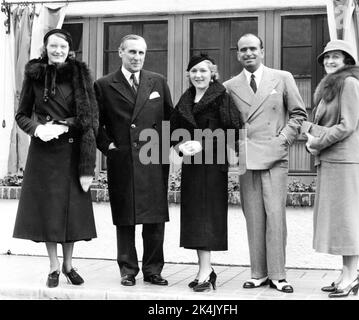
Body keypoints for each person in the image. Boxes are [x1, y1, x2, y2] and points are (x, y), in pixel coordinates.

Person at [13, 29, 98, 288]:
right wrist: (38, 129)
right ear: (46, 48)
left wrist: (63, 125)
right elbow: (21, 115)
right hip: (43, 153)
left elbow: (90, 115)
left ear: (69, 49)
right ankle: (53, 267)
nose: (58, 50)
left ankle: (68, 265)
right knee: (48, 211)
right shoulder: (34, 76)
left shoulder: (79, 75)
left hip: (71, 152)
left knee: (71, 212)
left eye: (62, 46)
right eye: (53, 46)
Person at [223, 33, 307, 293]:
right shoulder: (229, 86)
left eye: (252, 49)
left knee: (275, 215)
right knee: (253, 217)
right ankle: (258, 273)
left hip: (274, 157)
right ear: (237, 54)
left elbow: (298, 114)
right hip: (248, 158)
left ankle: (278, 275)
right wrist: (235, 151)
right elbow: (227, 123)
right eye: (243, 50)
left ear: (262, 51)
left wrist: (283, 140)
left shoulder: (282, 78)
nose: (248, 53)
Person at [94, 34, 173, 287]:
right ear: (120, 52)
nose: (137, 57)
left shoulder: (157, 81)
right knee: (125, 217)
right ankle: (128, 269)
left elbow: (169, 120)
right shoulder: (104, 84)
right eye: (132, 52)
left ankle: (153, 270)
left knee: (155, 218)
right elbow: (95, 123)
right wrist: (109, 147)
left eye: (141, 53)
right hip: (123, 158)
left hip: (153, 158)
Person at [170, 54, 242, 292]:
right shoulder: (186, 98)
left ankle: (205, 271)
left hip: (212, 167)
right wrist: (181, 146)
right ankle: (205, 269)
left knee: (207, 218)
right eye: (194, 71)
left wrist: (203, 144)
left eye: (203, 71)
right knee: (194, 218)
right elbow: (174, 130)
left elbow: (232, 131)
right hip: (192, 167)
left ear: (213, 73)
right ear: (188, 75)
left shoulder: (222, 97)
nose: (198, 75)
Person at [302, 39, 359, 298]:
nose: (330, 61)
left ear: (347, 62)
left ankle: (351, 277)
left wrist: (316, 142)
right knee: (341, 222)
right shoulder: (334, 85)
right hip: (333, 161)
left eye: (336, 57)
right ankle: (346, 274)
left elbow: (347, 125)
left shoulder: (349, 83)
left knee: (348, 221)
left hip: (346, 162)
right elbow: (331, 125)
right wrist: (309, 135)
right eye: (327, 57)